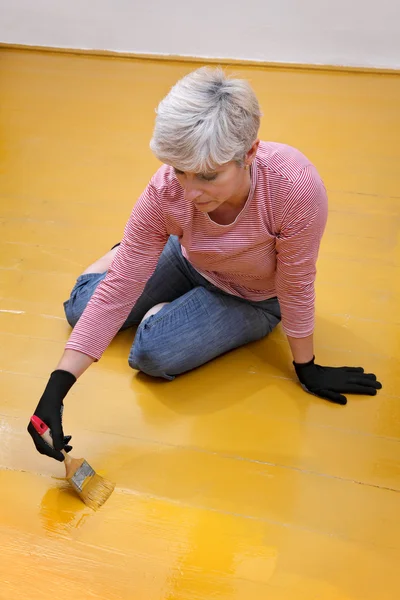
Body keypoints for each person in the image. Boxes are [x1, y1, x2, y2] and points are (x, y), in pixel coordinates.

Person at [28, 67, 382, 461]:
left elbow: (297, 283)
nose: (191, 191)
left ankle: (150, 269)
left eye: (208, 176)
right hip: (189, 258)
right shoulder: (167, 190)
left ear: (248, 153)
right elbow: (119, 289)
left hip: (253, 296)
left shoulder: (293, 187)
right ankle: (131, 250)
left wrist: (308, 367)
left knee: (152, 354)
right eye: (181, 171)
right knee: (81, 310)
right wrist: (54, 393)